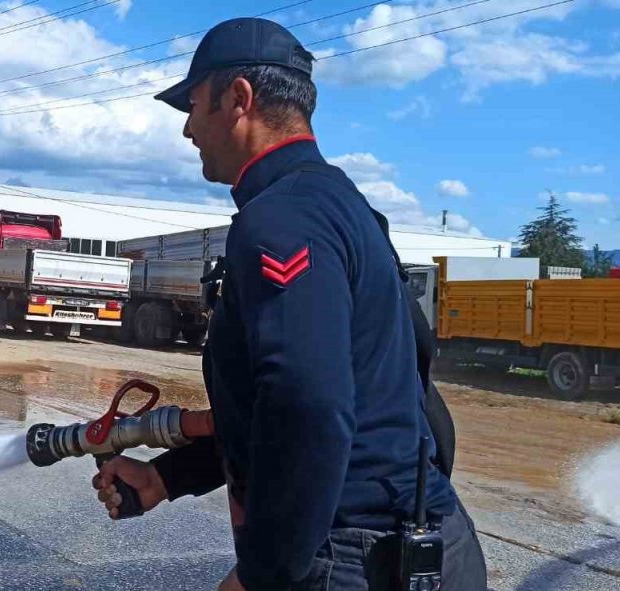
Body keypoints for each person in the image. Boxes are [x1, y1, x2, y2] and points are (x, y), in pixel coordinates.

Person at [91, 18, 486, 591]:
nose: (187, 128)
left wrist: (264, 574)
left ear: (238, 99)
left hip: (356, 559)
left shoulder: (282, 219)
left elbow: (308, 408)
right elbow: (314, 404)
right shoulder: (340, 204)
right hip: (419, 544)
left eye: (194, 105)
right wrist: (168, 477)